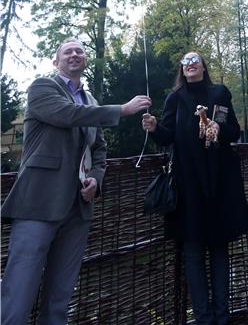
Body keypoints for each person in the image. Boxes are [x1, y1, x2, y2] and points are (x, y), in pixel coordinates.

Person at [1, 38, 152, 325]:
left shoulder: (91, 100)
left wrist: (95, 178)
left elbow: (99, 149)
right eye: (67, 51)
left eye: (79, 51)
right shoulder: (43, 88)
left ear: (85, 61)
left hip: (77, 208)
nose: (74, 54)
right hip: (39, 202)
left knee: (60, 297)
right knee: (18, 294)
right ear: (55, 61)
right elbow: (66, 115)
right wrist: (122, 110)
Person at [142, 51, 248, 325]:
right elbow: (166, 137)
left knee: (219, 249)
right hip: (187, 184)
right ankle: (203, 318)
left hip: (220, 181)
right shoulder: (175, 98)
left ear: (203, 65)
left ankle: (222, 317)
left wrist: (218, 127)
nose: (191, 64)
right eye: (186, 62)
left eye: (195, 60)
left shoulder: (219, 93)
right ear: (182, 68)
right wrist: (154, 127)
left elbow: (233, 131)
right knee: (192, 251)